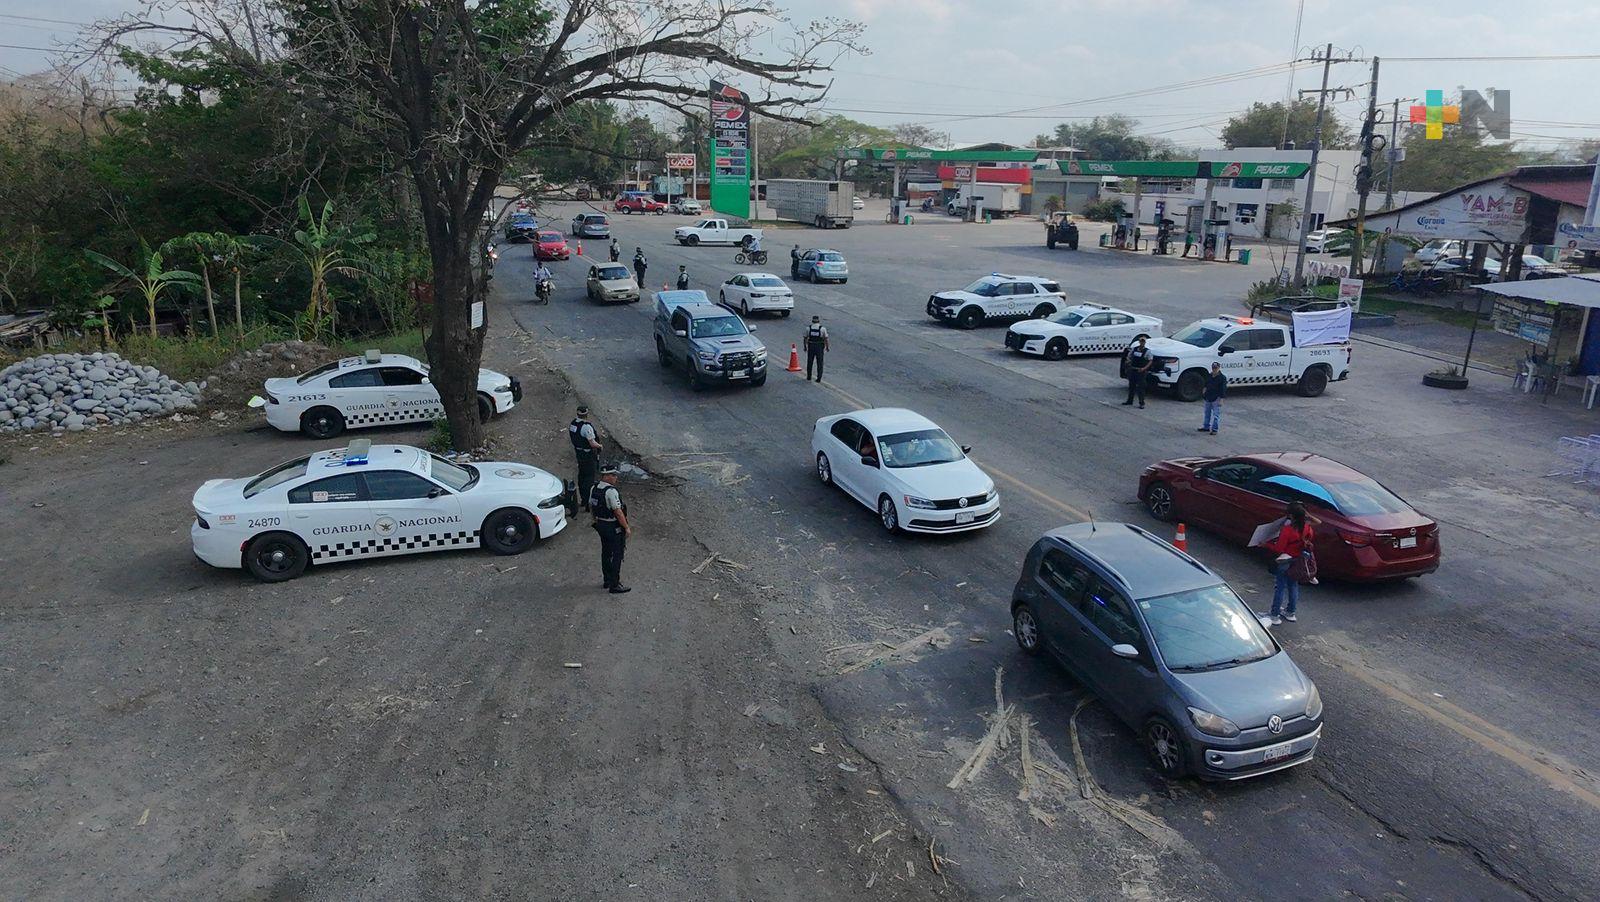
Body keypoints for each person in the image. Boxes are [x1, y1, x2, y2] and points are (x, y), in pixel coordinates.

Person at [1264, 502, 1314, 624]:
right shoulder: (1308, 528)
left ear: (1291, 516)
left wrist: (1265, 544)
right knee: (1293, 586)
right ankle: (1290, 612)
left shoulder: (1287, 530)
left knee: (1280, 587)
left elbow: (1279, 548)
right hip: (1298, 560)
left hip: (1285, 560)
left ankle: (1274, 614)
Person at [590, 464, 631, 594]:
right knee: (617, 555)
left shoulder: (594, 488)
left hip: (601, 524)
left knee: (606, 553)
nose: (615, 477)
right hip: (612, 526)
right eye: (613, 475)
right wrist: (626, 527)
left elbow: (591, 505)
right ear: (606, 476)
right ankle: (614, 584)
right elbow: (618, 512)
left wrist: (595, 519)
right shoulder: (611, 492)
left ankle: (607, 580)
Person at [568, 405, 602, 510]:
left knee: (582, 476)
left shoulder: (573, 424)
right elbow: (592, 443)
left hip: (579, 453)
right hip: (588, 455)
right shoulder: (586, 427)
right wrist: (600, 446)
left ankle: (583, 499)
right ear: (586, 414)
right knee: (589, 478)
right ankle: (587, 502)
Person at [1122, 336, 1152, 408]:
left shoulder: (1147, 351)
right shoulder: (1134, 349)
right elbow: (1129, 356)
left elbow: (1150, 361)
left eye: (1143, 341)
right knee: (1131, 386)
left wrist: (1144, 368)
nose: (1142, 342)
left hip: (1141, 371)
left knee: (1141, 388)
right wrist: (1128, 361)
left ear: (1145, 342)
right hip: (1133, 370)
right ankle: (1129, 401)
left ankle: (1141, 403)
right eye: (1141, 341)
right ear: (1139, 342)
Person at [1198, 362, 1226, 435]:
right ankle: (1206, 427)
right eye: (1213, 368)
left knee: (1216, 415)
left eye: (1216, 368)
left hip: (1216, 398)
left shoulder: (1222, 378)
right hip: (1208, 396)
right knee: (1207, 413)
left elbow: (1223, 389)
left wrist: (1221, 399)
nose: (1214, 369)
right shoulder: (1209, 375)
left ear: (1219, 368)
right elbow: (1206, 384)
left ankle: (1214, 429)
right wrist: (1204, 391)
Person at [803, 315, 829, 383]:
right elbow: (826, 339)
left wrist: (805, 347)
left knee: (810, 362)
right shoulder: (822, 329)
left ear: (812, 321)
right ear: (818, 321)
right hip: (819, 347)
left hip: (811, 346)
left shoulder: (808, 328)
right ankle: (819, 378)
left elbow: (805, 338)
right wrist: (827, 347)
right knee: (820, 363)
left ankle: (809, 376)